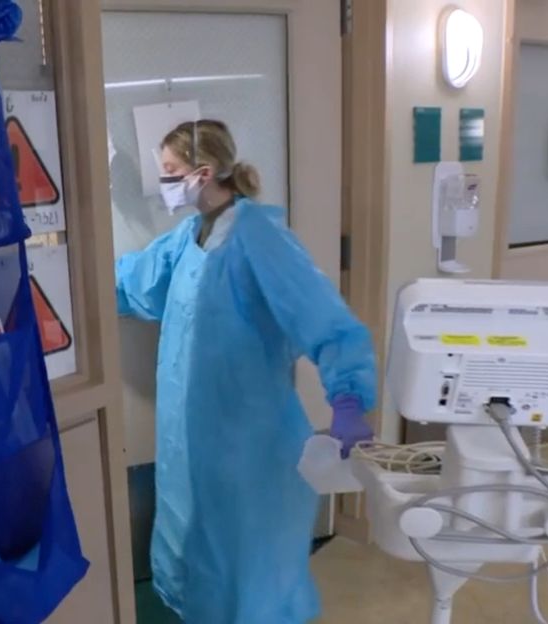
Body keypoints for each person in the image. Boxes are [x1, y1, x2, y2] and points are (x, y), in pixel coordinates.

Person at [115, 120, 377, 623]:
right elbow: (135, 282)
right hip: (190, 447)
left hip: (249, 449)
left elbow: (324, 318)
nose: (163, 184)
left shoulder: (260, 241)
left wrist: (347, 398)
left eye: (170, 172)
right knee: (197, 574)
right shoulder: (188, 239)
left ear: (204, 172)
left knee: (250, 585)